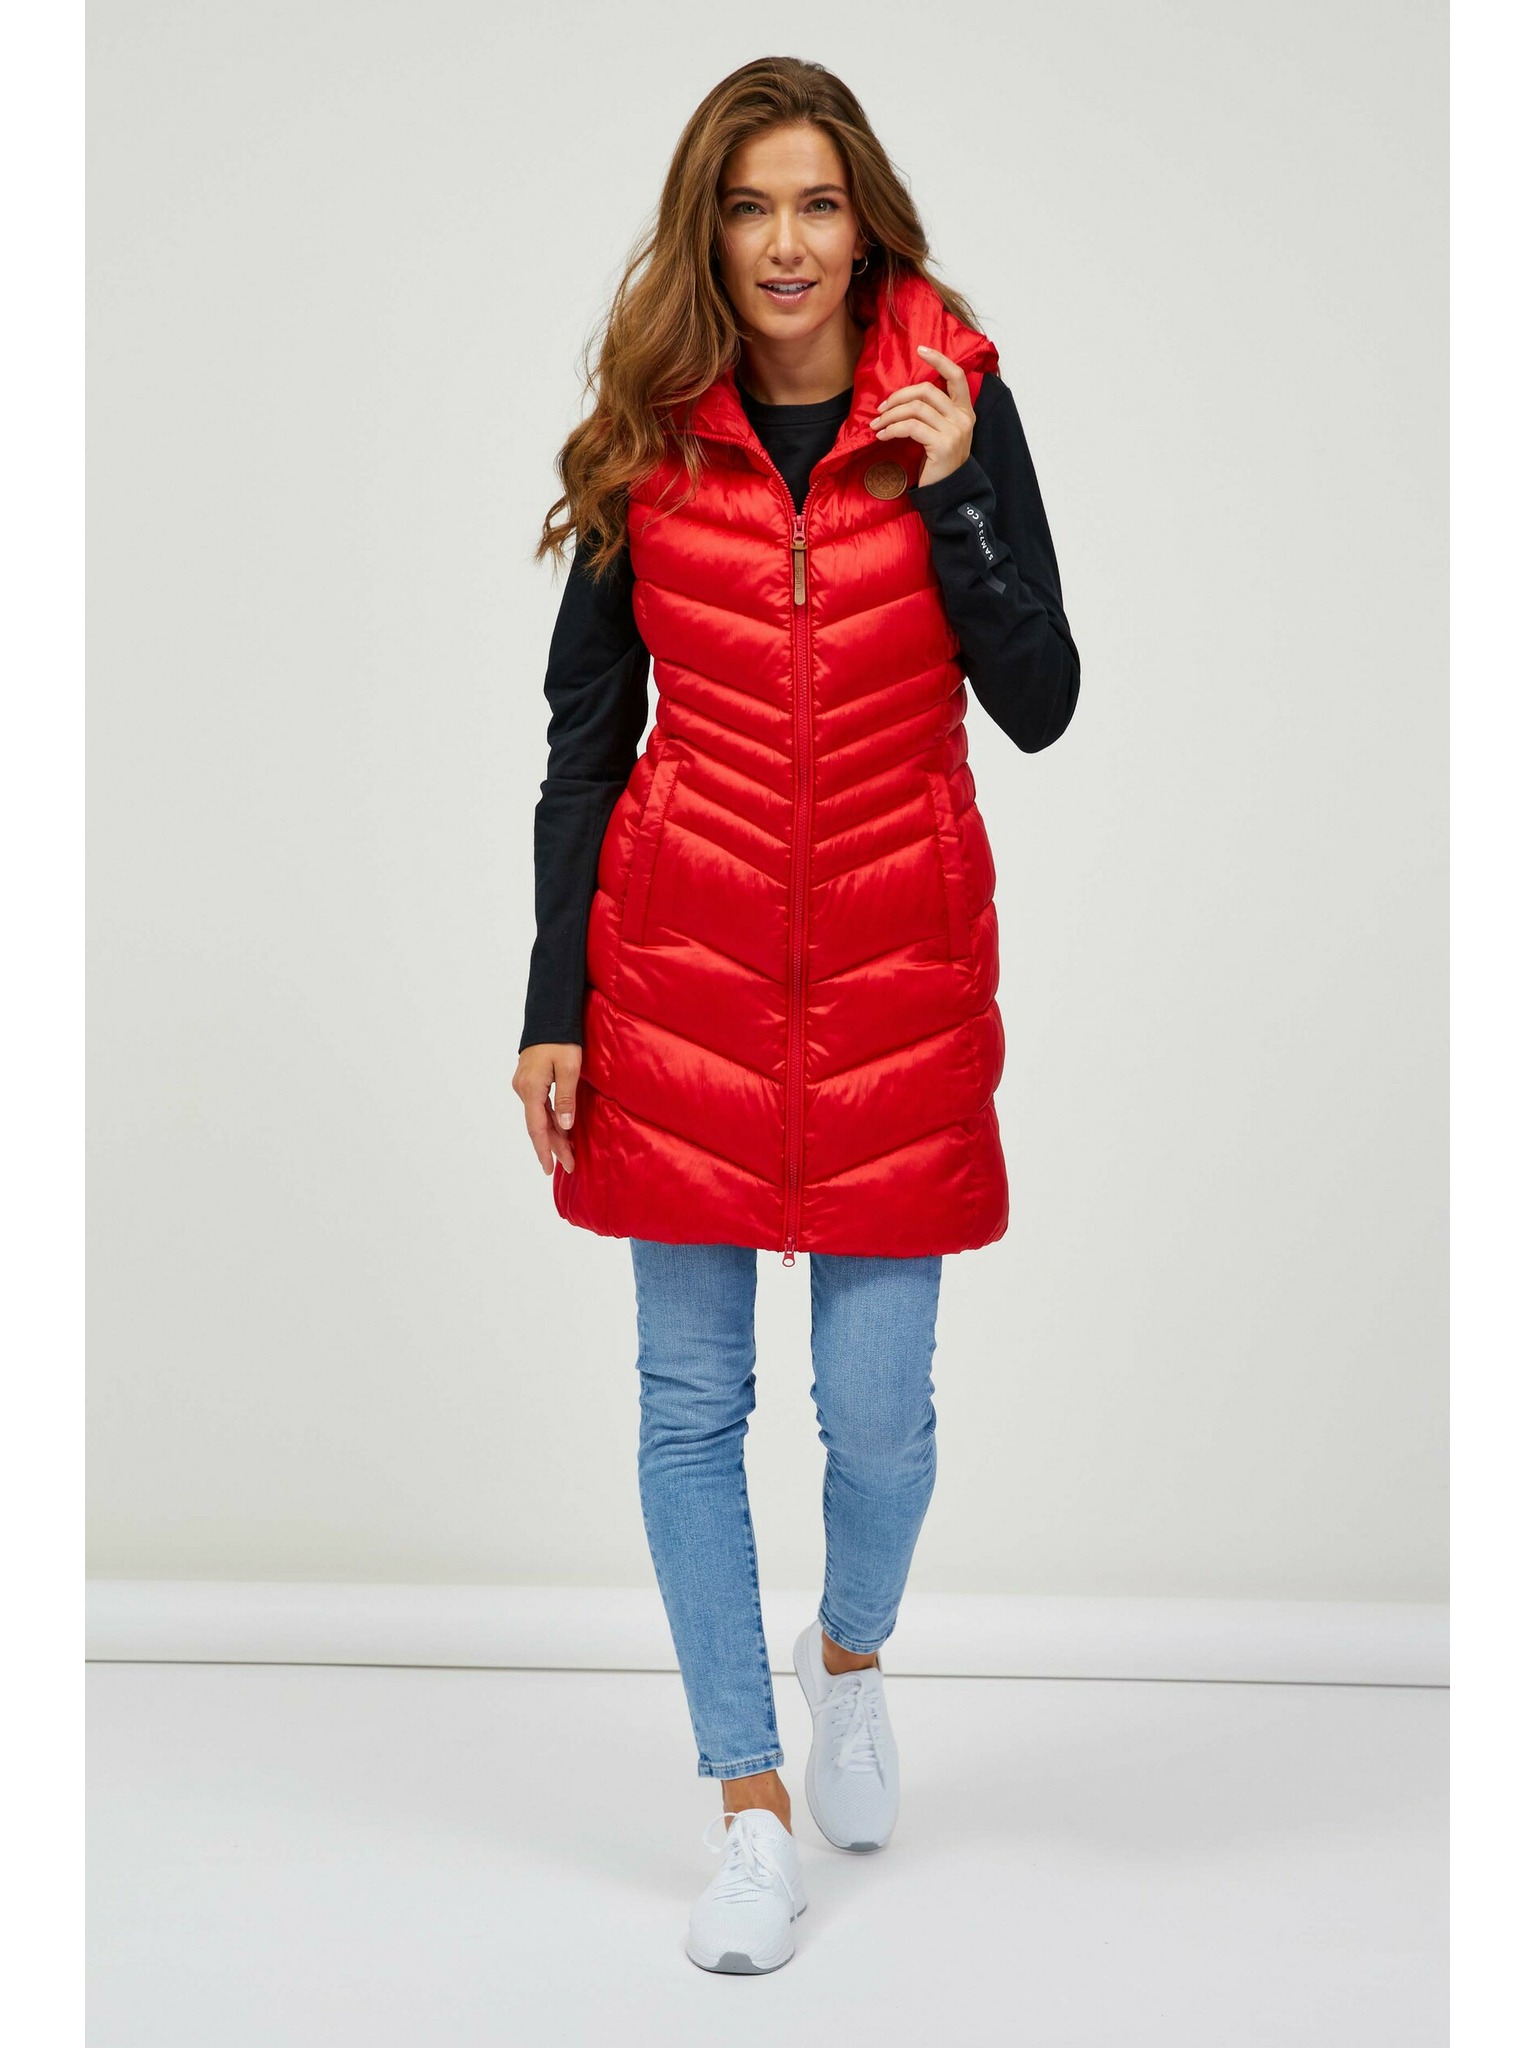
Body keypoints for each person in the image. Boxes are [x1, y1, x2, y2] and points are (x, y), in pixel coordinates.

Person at [512, 56, 1080, 1974]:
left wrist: (959, 487)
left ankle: (849, 1657)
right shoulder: (645, 442)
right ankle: (746, 1808)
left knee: (880, 1419)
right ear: (710, 230)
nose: (784, 242)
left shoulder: (955, 406)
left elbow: (1044, 700)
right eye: (749, 206)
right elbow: (585, 745)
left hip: (896, 979)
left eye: (816, 204)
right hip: (677, 975)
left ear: (865, 224)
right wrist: (554, 1004)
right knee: (690, 1410)